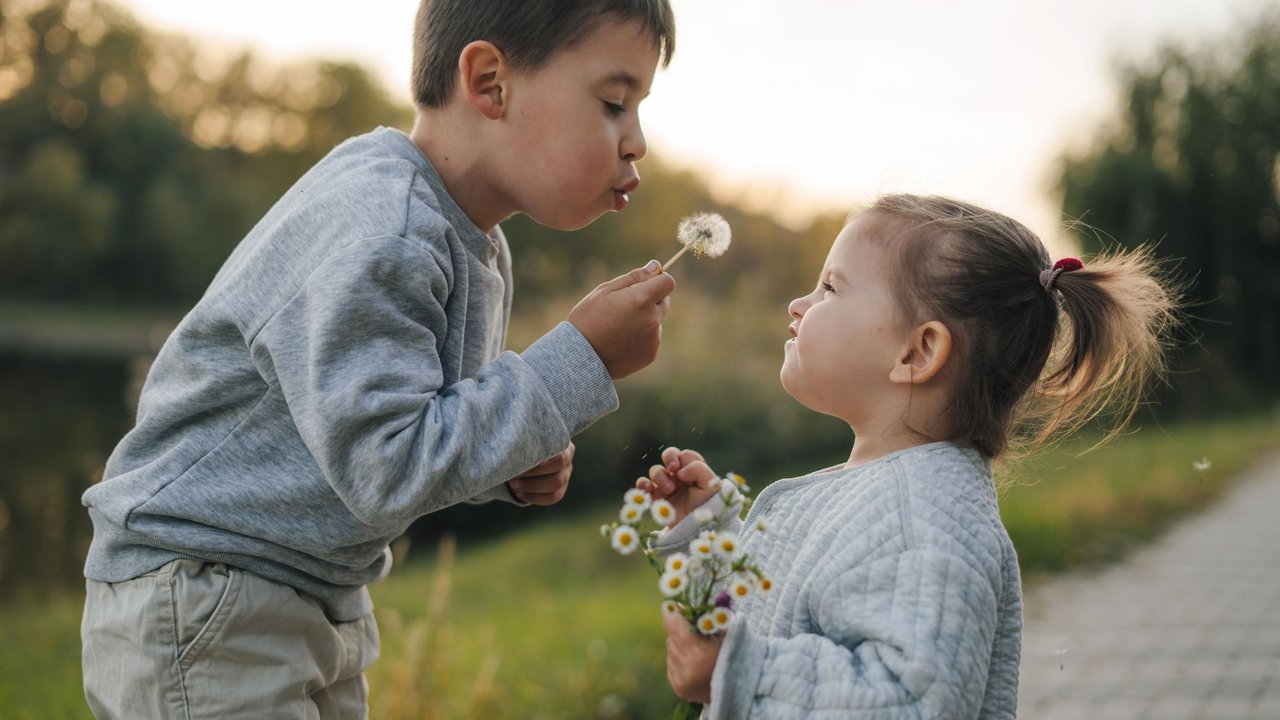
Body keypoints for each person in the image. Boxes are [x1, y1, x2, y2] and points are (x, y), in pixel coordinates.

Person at [80, 0, 677, 716]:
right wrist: (579, 361)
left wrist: (508, 472)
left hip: (306, 591)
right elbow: (387, 468)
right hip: (208, 587)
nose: (636, 140)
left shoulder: (471, 240)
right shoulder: (385, 229)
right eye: (615, 102)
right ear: (490, 82)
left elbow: (408, 427)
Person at [640, 194, 1178, 719]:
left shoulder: (922, 519)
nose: (798, 304)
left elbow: (911, 700)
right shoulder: (884, 493)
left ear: (917, 352)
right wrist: (707, 536)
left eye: (830, 287)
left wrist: (740, 674)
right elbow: (772, 610)